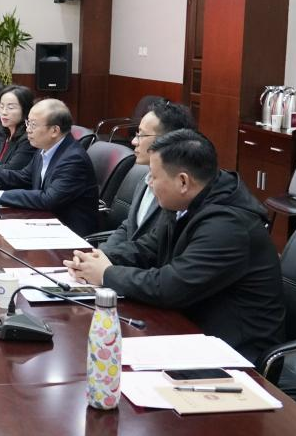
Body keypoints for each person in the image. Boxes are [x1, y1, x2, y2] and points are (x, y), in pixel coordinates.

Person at [65, 129, 283, 362]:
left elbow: (171, 286)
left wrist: (107, 274)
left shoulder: (229, 226)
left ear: (183, 181)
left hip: (234, 350)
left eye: (153, 176)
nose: (149, 183)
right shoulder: (187, 202)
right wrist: (99, 258)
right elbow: (148, 247)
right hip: (189, 324)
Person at [0, 98, 100, 237]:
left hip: (69, 234)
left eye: (33, 125)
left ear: (54, 130)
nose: (28, 130)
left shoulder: (73, 159)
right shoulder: (45, 148)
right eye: (28, 123)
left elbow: (49, 199)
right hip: (44, 221)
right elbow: (24, 177)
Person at [98, 99, 196, 258]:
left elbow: (154, 251)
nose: (133, 141)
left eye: (141, 135)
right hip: (124, 262)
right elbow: (129, 227)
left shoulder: (178, 191)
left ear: (167, 140)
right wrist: (101, 254)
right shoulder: (145, 176)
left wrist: (107, 263)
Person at [0, 84, 36, 173]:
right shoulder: (6, 132)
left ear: (25, 109)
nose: (4, 112)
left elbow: (10, 170)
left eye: (10, 107)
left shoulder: (28, 138)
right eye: (1, 107)